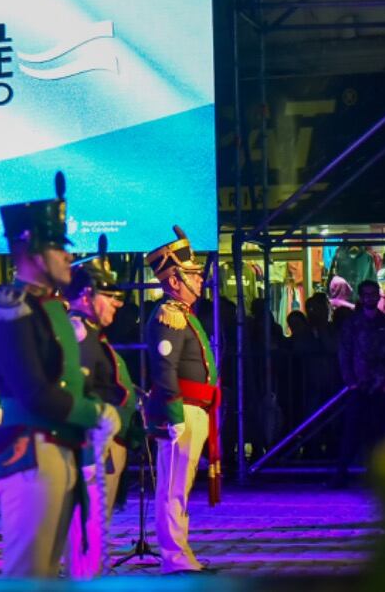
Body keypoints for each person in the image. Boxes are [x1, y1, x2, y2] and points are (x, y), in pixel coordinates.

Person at [0, 175, 109, 578]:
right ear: (33, 251)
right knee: (29, 573)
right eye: (58, 248)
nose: (68, 257)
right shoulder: (12, 308)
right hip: (31, 454)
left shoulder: (50, 307)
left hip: (59, 449)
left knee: (50, 571)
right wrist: (95, 413)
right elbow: (34, 392)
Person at [144, 228, 219, 576]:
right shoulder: (168, 315)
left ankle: (181, 552)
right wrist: (173, 413)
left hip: (195, 410)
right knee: (173, 487)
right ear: (174, 280)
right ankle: (174, 557)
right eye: (192, 274)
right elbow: (164, 368)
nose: (200, 279)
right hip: (181, 411)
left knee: (181, 487)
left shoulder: (184, 313)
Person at [64, 255, 137, 579]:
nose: (117, 304)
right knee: (85, 532)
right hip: (84, 447)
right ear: (85, 296)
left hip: (96, 443)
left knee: (94, 532)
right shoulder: (78, 334)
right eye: (109, 297)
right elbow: (72, 398)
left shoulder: (90, 333)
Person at [335, 278, 385, 487]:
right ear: (361, 297)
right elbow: (344, 352)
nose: (370, 298)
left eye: (373, 294)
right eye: (367, 294)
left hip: (380, 384)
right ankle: (342, 474)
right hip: (358, 384)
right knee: (351, 431)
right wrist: (350, 380)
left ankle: (376, 475)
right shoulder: (352, 323)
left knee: (378, 433)